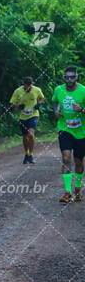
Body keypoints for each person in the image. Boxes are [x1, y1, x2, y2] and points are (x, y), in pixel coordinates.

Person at [52, 66, 85, 203]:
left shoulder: (83, 90)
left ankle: (77, 188)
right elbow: (54, 101)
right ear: (64, 77)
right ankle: (67, 192)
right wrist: (56, 110)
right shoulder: (58, 90)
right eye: (67, 77)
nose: (69, 79)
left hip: (81, 132)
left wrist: (81, 109)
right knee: (66, 158)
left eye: (72, 77)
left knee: (78, 161)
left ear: (76, 77)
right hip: (64, 128)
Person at [10, 77, 44, 164]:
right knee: (25, 137)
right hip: (23, 117)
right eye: (26, 86)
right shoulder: (18, 91)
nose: (28, 88)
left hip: (33, 115)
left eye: (30, 86)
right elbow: (12, 103)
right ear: (23, 84)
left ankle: (31, 155)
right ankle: (27, 154)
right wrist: (18, 106)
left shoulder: (37, 90)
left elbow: (41, 98)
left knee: (31, 134)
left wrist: (38, 104)